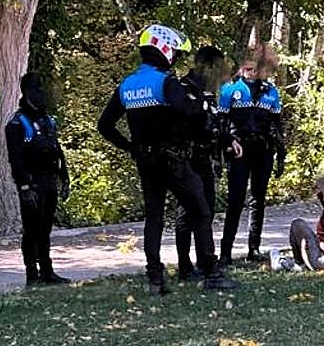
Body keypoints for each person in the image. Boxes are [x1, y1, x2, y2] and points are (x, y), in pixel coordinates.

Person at [98, 24, 237, 294]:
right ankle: (211, 273)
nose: (175, 57)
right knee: (200, 209)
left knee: (154, 217)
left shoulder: (127, 85)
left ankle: (155, 278)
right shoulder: (165, 81)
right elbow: (189, 112)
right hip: (173, 159)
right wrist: (202, 107)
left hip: (144, 160)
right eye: (173, 51)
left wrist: (129, 147)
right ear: (163, 49)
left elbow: (104, 126)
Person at [173, 45, 240, 282]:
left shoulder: (207, 93)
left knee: (206, 211)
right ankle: (185, 266)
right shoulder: (182, 88)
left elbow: (213, 124)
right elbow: (186, 125)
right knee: (187, 213)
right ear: (208, 66)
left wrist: (228, 139)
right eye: (219, 68)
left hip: (205, 160)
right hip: (187, 160)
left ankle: (204, 262)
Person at [218, 41, 285, 266]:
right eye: (247, 67)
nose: (251, 70)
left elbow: (277, 125)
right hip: (239, 151)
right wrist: (224, 148)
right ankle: (225, 251)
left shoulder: (271, 91)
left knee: (258, 199)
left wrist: (280, 153)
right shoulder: (229, 90)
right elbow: (221, 123)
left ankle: (253, 248)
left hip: (263, 151)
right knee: (235, 199)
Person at [6, 73, 71, 286]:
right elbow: (15, 159)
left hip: (49, 179)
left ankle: (47, 270)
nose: (40, 95)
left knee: (45, 229)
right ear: (26, 93)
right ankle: (31, 273)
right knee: (32, 229)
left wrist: (65, 177)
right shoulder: (16, 124)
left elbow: (57, 150)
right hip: (32, 182)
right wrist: (24, 186)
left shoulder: (47, 120)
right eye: (36, 90)